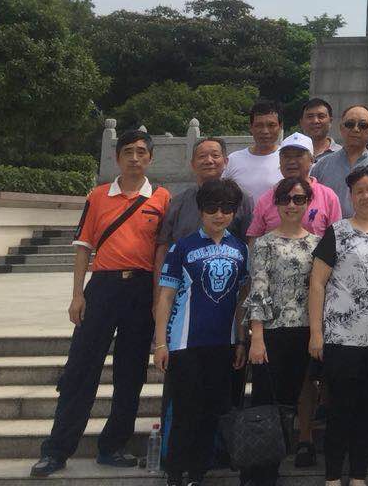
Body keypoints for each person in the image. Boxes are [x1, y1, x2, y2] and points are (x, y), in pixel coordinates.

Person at [31, 130, 171, 478]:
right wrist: (78, 294)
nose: (135, 158)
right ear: (116, 158)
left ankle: (113, 446)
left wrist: (157, 302)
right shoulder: (97, 196)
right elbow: (83, 247)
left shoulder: (162, 198)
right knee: (81, 368)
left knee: (130, 372)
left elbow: (161, 253)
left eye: (141, 152)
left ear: (150, 158)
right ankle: (57, 449)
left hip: (140, 290)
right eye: (128, 152)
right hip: (103, 287)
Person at [308, 166, 368, 486]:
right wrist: (316, 333)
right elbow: (318, 283)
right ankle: (333, 475)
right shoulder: (337, 231)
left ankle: (359, 474)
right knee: (339, 410)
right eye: (359, 190)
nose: (365, 195)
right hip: (341, 338)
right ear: (351, 195)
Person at [153, 179, 249, 486]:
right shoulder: (182, 247)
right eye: (212, 208)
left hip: (222, 343)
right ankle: (175, 472)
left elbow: (241, 298)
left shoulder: (240, 248)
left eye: (227, 209)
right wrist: (160, 343)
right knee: (185, 411)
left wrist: (241, 339)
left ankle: (198, 472)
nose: (219, 215)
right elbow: (165, 297)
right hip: (186, 343)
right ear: (200, 210)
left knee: (212, 412)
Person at [245, 176, 319, 486]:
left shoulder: (316, 243)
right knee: (265, 404)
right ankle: (258, 475)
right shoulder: (264, 243)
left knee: (291, 401)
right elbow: (258, 290)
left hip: (305, 331)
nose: (291, 205)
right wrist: (257, 336)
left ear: (307, 203)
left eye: (298, 199)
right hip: (272, 333)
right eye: (286, 199)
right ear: (276, 203)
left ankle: (278, 461)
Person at [155, 137, 253, 274]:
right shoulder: (178, 202)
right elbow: (164, 247)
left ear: (225, 161)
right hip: (182, 286)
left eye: (215, 155)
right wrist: (159, 291)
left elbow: (250, 245)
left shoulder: (242, 200)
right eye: (202, 156)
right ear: (193, 164)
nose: (209, 161)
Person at [246, 133, 342, 239]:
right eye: (286, 156)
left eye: (298, 156)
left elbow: (336, 239)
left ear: (311, 160)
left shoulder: (328, 197)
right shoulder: (267, 198)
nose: (291, 161)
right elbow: (254, 238)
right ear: (280, 160)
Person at [310, 106, 368, 215]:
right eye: (350, 124)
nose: (356, 129)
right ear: (341, 128)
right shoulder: (322, 166)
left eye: (363, 125)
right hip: (330, 230)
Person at [224, 99, 286, 203]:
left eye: (271, 125)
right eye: (259, 125)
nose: (265, 131)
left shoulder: (288, 159)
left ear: (280, 127)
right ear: (251, 128)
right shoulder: (234, 159)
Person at [298, 98, 339, 162]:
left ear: (330, 121)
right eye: (310, 116)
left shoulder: (343, 154)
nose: (315, 121)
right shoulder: (290, 153)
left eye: (321, 116)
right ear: (301, 123)